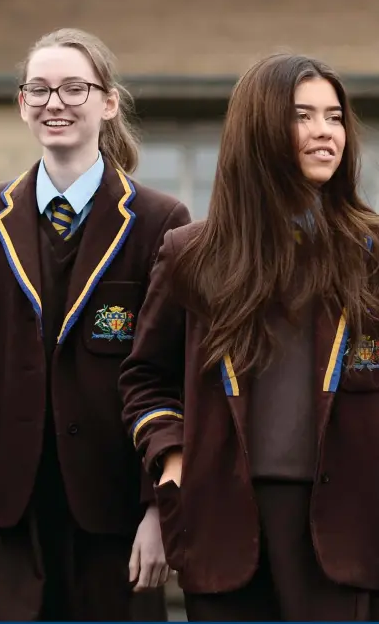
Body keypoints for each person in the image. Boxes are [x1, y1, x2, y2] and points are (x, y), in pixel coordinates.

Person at [0, 28, 191, 621]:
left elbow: (170, 376)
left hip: (112, 511)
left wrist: (158, 509)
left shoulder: (159, 221)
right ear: (22, 105)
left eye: (75, 88)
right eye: (40, 90)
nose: (56, 103)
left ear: (108, 102)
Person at [119, 53, 379, 621]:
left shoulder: (372, 254)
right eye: (303, 116)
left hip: (346, 525)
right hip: (222, 522)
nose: (324, 133)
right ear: (259, 130)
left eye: (334, 118)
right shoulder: (192, 254)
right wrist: (172, 460)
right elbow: (145, 378)